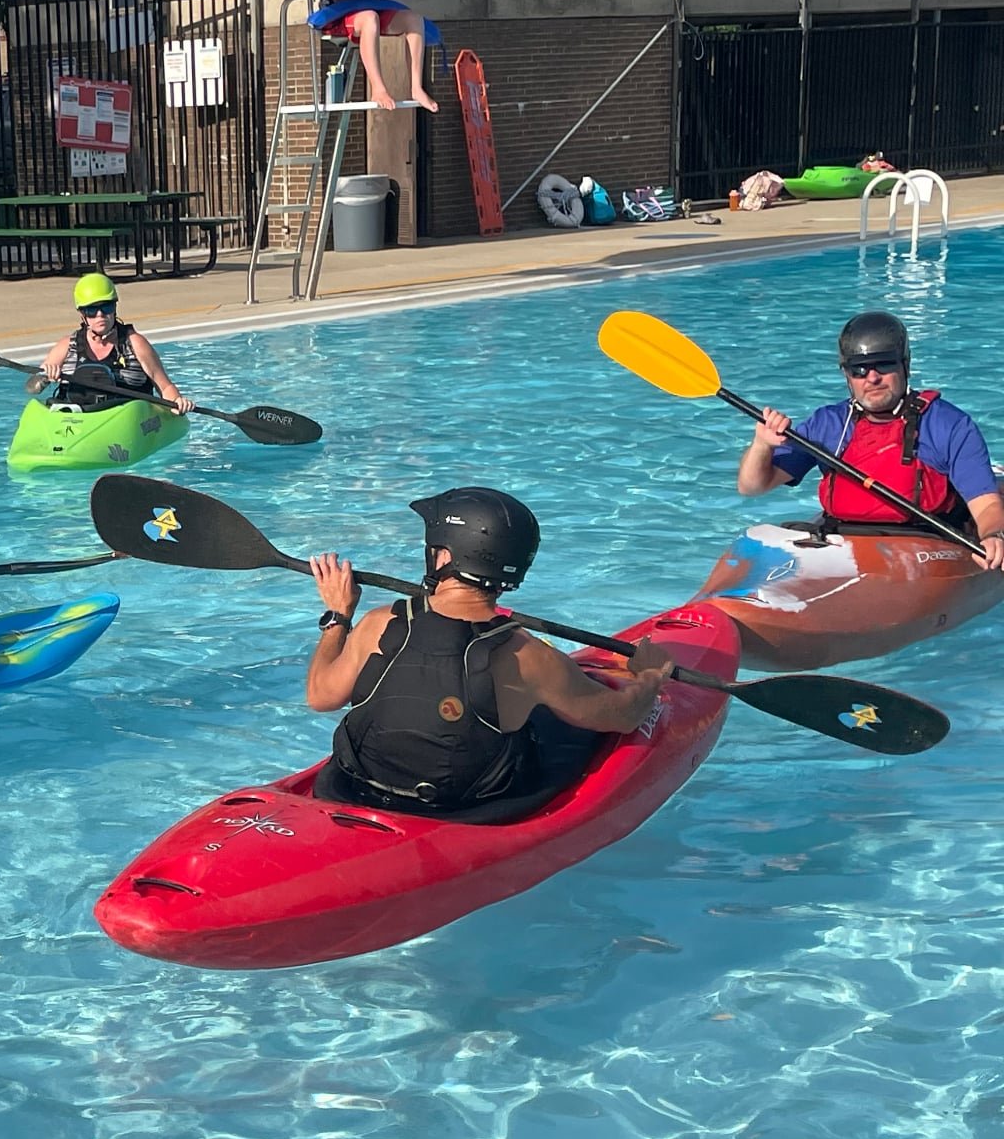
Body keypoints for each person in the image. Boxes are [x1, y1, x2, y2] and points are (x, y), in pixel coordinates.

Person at [303, 488, 675, 819]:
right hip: (463, 807)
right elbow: (624, 716)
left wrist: (339, 615)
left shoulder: (379, 623)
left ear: (444, 556)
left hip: (357, 786)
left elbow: (321, 697)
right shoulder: (528, 657)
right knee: (560, 718)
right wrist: (649, 677)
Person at [736, 310, 1004, 571]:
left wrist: (994, 535)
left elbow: (986, 505)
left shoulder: (948, 424)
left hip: (927, 542)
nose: (872, 378)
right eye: (859, 369)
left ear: (905, 365)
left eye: (884, 364)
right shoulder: (828, 424)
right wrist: (762, 445)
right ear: (847, 375)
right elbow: (751, 487)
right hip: (844, 541)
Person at [38, 273, 196, 413]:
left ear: (115, 308)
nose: (100, 315)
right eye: (92, 310)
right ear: (82, 314)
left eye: (106, 307)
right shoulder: (66, 346)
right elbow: (33, 387)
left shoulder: (135, 343)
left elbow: (165, 387)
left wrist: (177, 402)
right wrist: (43, 379)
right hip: (78, 420)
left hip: (126, 420)